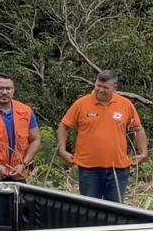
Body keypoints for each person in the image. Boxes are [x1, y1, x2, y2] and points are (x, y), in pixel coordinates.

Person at [56, 71, 147, 202]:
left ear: (114, 88)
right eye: (98, 86)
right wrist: (63, 150)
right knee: (90, 210)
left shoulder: (125, 104)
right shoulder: (81, 103)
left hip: (118, 169)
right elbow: (64, 126)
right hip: (89, 169)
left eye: (106, 87)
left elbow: (137, 128)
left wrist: (143, 153)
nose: (100, 90)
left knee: (114, 211)